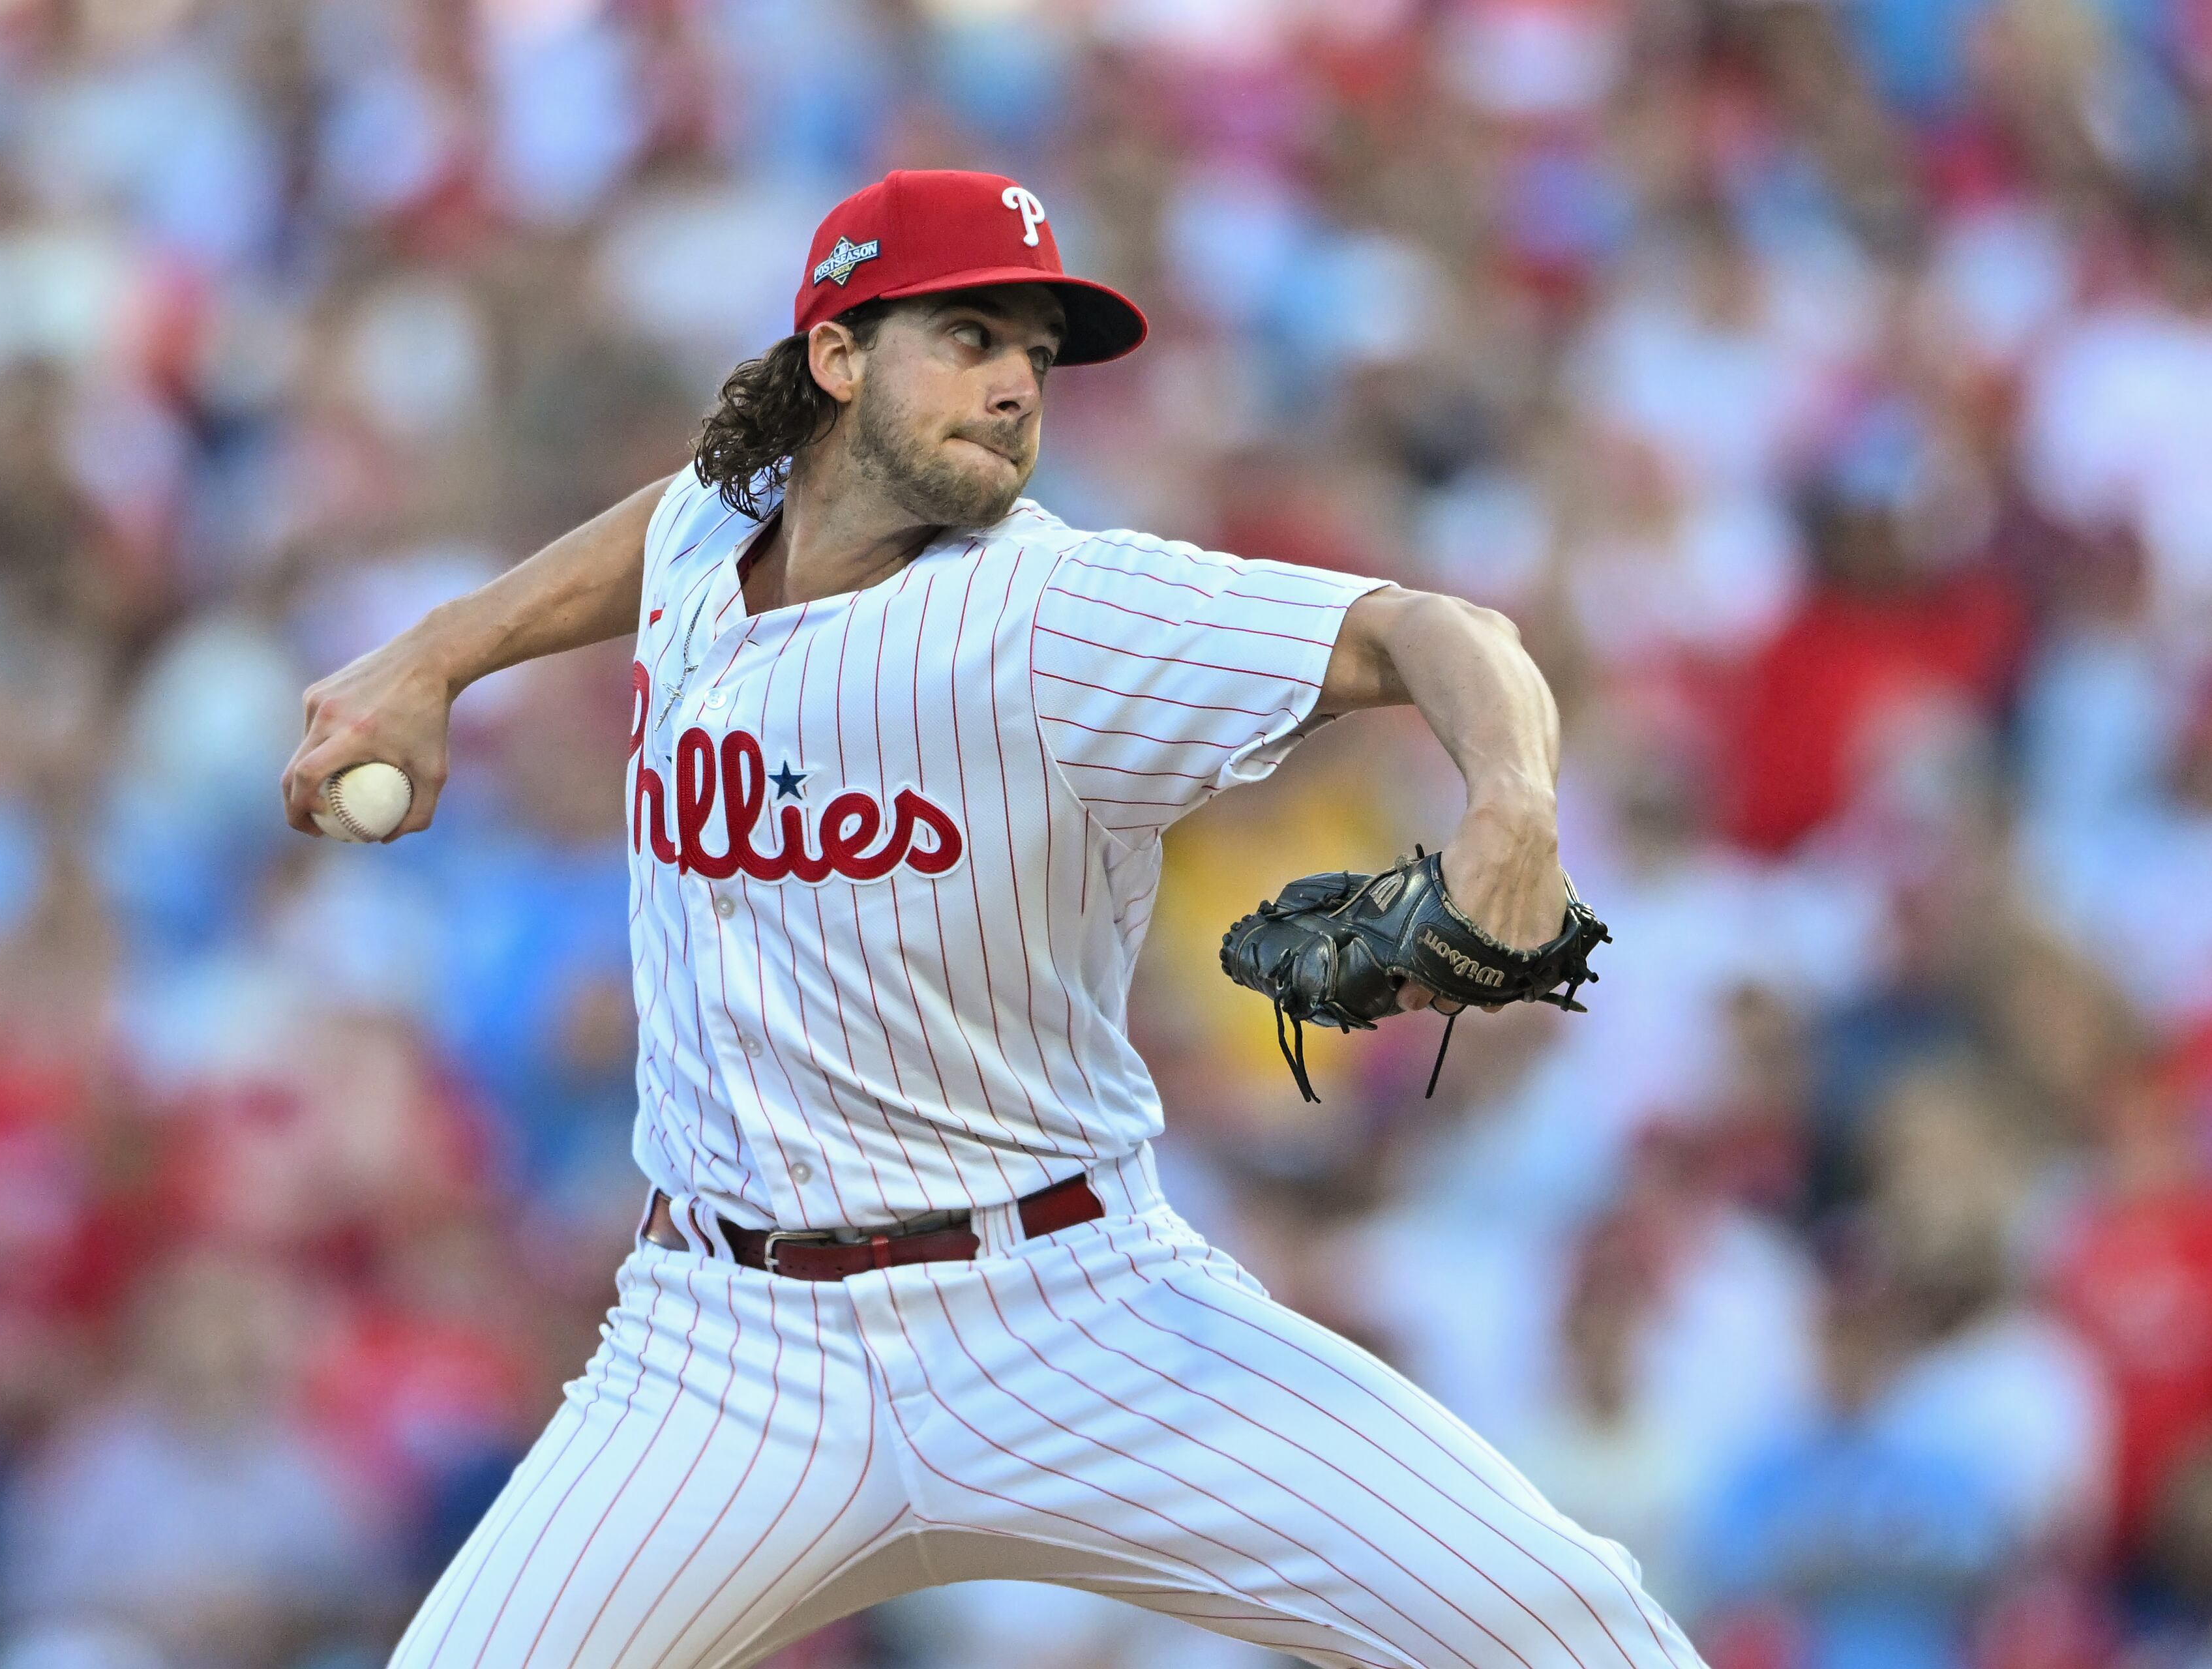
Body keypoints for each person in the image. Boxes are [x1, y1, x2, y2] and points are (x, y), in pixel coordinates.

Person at [284, 168, 1703, 1669]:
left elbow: (1431, 628)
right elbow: (686, 512)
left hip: (1071, 1312)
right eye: (968, 336)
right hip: (723, 1342)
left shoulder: (1058, 614)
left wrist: (1515, 802)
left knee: (1575, 1625)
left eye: (1037, 353)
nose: (1020, 385)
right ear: (837, 359)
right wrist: (434, 654)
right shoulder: (719, 532)